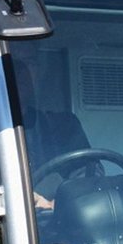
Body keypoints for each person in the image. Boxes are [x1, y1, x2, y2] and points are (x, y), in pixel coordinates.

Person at [10, 52, 91, 212]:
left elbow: (89, 174)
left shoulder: (64, 125)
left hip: (60, 225)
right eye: (14, 64)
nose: (22, 71)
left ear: (39, 73)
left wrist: (57, 204)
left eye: (30, 62)